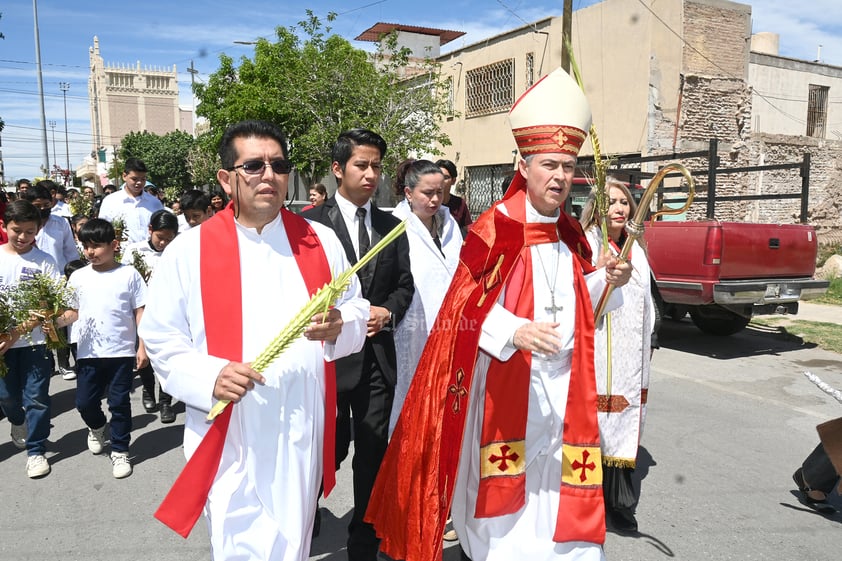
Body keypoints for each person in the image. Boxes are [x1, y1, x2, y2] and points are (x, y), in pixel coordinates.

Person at [366, 68, 633, 561]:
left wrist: (604, 280)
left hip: (564, 386)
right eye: (549, 163)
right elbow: (465, 307)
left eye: (568, 166)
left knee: (554, 486)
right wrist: (515, 331)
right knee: (504, 491)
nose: (559, 176)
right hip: (508, 382)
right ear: (524, 165)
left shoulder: (571, 232)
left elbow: (580, 300)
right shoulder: (494, 228)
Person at [138, 120, 369, 561]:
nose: (269, 175)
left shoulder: (320, 241)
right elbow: (161, 336)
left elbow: (357, 307)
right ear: (226, 179)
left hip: (301, 421)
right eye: (254, 165)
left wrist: (341, 322)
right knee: (237, 539)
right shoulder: (190, 251)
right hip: (230, 427)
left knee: (293, 541)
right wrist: (210, 375)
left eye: (279, 165)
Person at [302, 129, 414, 561]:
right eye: (361, 165)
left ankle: (363, 541)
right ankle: (303, 514)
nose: (371, 175)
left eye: (377, 167)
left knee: (372, 455)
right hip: (327, 362)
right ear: (337, 169)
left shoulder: (392, 225)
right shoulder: (310, 224)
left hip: (375, 362)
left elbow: (405, 287)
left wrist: (387, 312)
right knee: (327, 451)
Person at [580, 177, 656, 533]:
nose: (619, 208)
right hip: (598, 350)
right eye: (610, 202)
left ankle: (621, 501)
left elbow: (647, 300)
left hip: (630, 355)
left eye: (624, 202)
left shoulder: (636, 247)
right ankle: (589, 498)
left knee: (624, 426)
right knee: (594, 425)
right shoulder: (588, 244)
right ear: (596, 208)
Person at [51, 218, 148, 479]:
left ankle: (120, 450)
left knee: (119, 403)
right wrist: (51, 320)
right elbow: (71, 312)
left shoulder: (129, 275)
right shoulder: (78, 277)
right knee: (84, 402)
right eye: (86, 246)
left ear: (114, 245)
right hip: (88, 353)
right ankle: (97, 427)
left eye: (97, 246)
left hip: (121, 351)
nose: (90, 252)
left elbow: (140, 311)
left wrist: (143, 345)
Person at [389, 159, 462, 435]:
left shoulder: (449, 224)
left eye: (439, 193)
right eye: (427, 193)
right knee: (410, 410)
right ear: (409, 193)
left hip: (452, 329)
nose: (434, 200)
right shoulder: (395, 227)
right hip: (413, 331)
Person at [0, 200, 62, 479]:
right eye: (17, 230)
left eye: (30, 231)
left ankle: (36, 451)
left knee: (36, 397)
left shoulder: (44, 262)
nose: (23, 237)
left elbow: (52, 304)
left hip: (36, 343)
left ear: (38, 229)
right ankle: (16, 420)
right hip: (2, 346)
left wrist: (16, 332)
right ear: (5, 226)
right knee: (7, 397)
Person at [121, 209, 179, 423]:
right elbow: (126, 279)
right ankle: (148, 390)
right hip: (142, 311)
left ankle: (165, 401)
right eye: (160, 237)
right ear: (150, 230)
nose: (164, 243)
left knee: (167, 357)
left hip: (170, 312)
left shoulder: (177, 252)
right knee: (144, 355)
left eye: (169, 239)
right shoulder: (134, 251)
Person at [23, 182, 80, 381]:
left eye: (47, 204)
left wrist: (72, 276)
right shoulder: (24, 227)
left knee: (59, 323)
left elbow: (70, 252)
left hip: (58, 279)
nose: (43, 209)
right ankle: (46, 364)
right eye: (37, 205)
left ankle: (63, 364)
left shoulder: (61, 223)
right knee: (37, 324)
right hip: (31, 281)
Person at [97, 158, 164, 243]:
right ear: (124, 176)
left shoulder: (155, 203)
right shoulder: (110, 201)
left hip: (150, 253)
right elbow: (103, 230)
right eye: (134, 179)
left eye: (143, 179)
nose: (139, 182)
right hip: (121, 253)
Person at [436, 159, 472, 233]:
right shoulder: (429, 202)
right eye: (438, 176)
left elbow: (467, 229)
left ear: (453, 180)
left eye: (445, 177)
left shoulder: (459, 203)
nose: (441, 180)